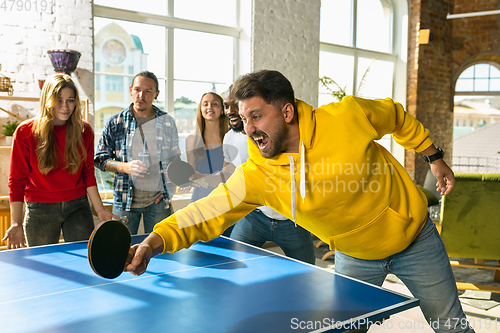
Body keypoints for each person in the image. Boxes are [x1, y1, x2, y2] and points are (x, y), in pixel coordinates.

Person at [125, 70, 474, 333]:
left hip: (415, 240)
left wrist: (434, 155)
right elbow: (207, 212)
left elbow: (396, 116)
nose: (248, 129)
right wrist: (155, 240)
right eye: (244, 119)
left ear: (288, 112)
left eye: (257, 116)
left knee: (452, 327)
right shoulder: (257, 174)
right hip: (355, 258)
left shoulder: (346, 117)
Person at [200, 87, 316, 264]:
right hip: (254, 214)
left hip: (290, 218)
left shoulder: (270, 136)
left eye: (235, 105)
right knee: (232, 262)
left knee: (309, 271)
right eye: (226, 106)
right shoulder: (229, 137)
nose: (230, 110)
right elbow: (229, 170)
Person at [3, 73, 118, 248]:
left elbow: (88, 174)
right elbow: (17, 181)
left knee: (83, 261)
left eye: (70, 100)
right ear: (48, 100)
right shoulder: (25, 132)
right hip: (40, 209)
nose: (65, 107)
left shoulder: (84, 131)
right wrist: (15, 222)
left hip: (78, 206)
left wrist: (100, 209)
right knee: (42, 264)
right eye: (59, 100)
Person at [94, 71, 180, 235]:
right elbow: (100, 159)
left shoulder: (167, 122)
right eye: (137, 89)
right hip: (124, 201)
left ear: (156, 94)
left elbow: (175, 160)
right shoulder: (115, 122)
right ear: (131, 90)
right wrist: (124, 167)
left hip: (159, 202)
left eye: (148, 91)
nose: (141, 95)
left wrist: (171, 188)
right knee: (121, 251)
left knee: (160, 252)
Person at [185, 92, 229, 203]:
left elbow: (231, 173)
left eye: (214, 104)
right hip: (200, 196)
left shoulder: (229, 137)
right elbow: (192, 172)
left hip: (225, 195)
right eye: (205, 104)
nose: (209, 107)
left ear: (222, 110)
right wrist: (187, 181)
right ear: (200, 109)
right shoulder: (191, 140)